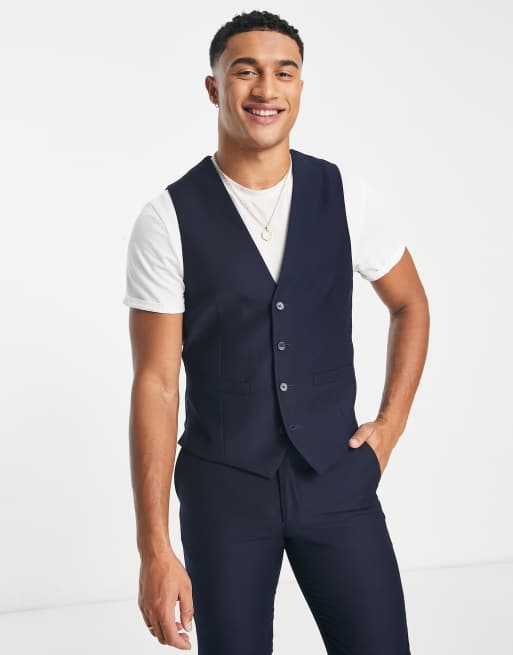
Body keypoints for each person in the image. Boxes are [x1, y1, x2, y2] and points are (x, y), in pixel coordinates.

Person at [123, 10, 429, 654]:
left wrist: (390, 426)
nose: (266, 89)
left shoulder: (345, 195)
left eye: (283, 73)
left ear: (300, 86)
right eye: (246, 71)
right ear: (214, 87)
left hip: (336, 478)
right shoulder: (167, 218)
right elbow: (156, 383)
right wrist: (155, 549)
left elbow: (410, 305)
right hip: (224, 494)